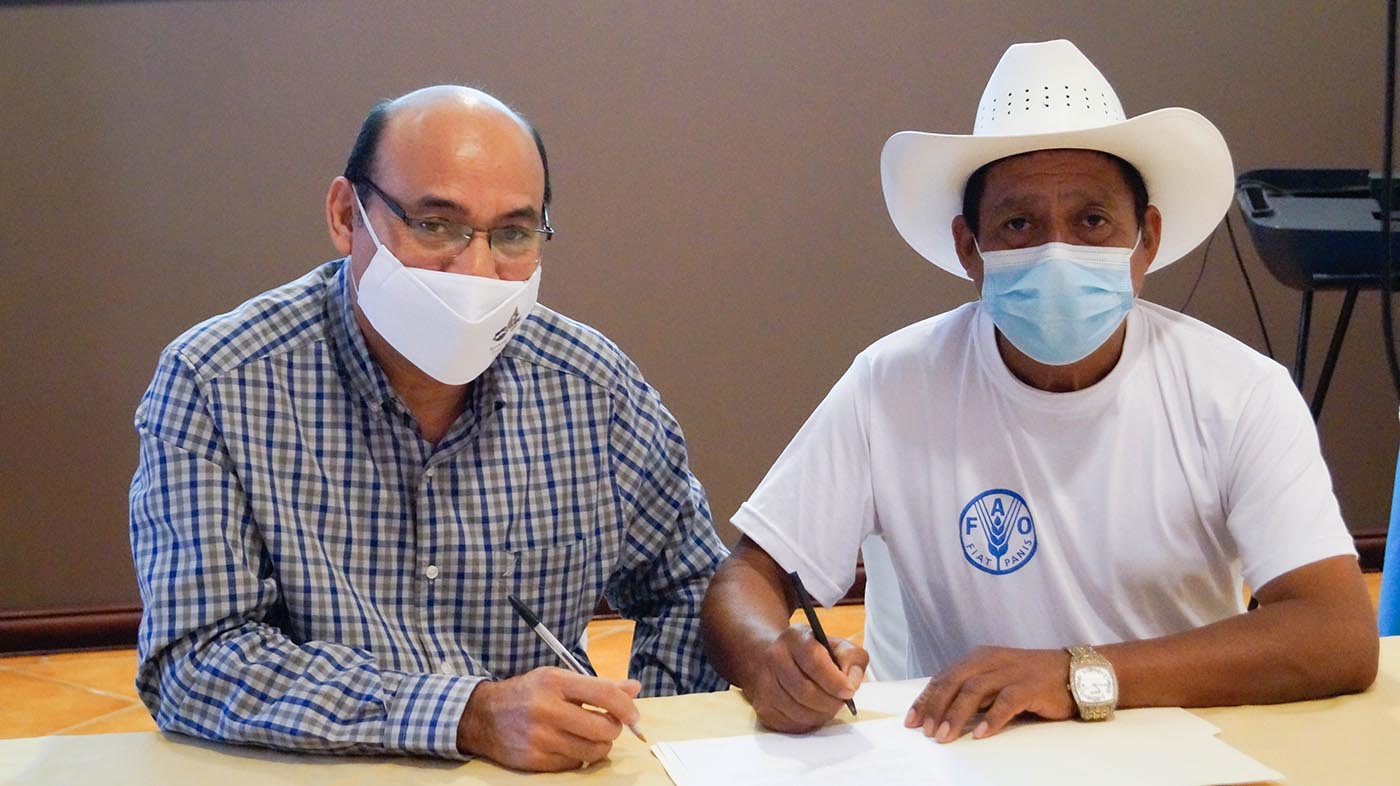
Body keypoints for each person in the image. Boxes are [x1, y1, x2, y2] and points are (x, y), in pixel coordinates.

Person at [701, 39, 1378, 743]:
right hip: (962, 755)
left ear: (1146, 238)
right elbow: (747, 579)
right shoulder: (893, 384)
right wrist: (771, 662)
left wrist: (1077, 674)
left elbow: (1334, 633)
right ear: (970, 248)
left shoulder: (1239, 392)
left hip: (1182, 752)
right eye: (1019, 224)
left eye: (1092, 221)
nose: (1057, 251)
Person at [129, 85, 727, 771]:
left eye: (512, 234)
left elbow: (693, 586)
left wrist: (645, 736)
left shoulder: (593, 387)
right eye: (436, 225)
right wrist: (468, 716)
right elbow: (196, 658)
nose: (475, 271)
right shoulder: (218, 383)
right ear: (345, 217)